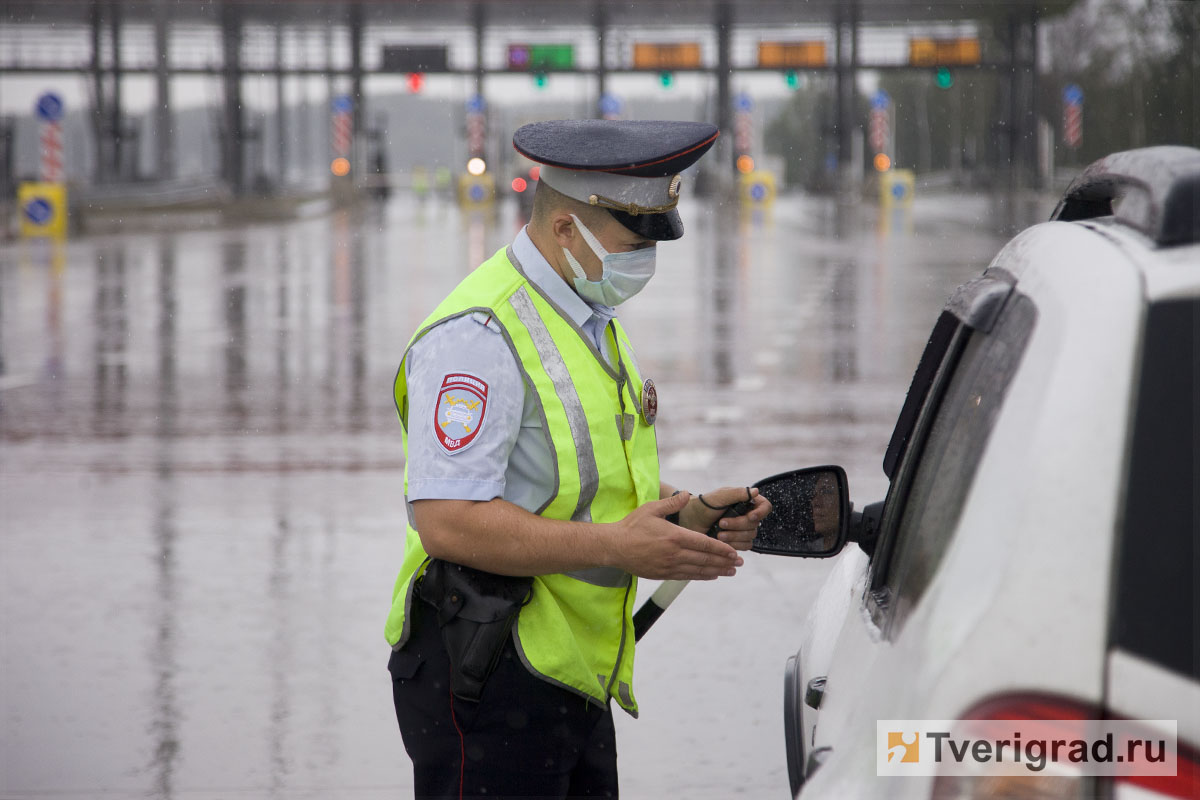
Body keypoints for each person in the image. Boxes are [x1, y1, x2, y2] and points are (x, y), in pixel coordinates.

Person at [385, 119, 773, 799]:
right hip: (487, 668)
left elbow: (585, 481)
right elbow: (445, 520)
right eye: (630, 245)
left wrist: (689, 514)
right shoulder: (479, 336)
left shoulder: (588, 316)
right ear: (565, 229)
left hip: (570, 669)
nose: (643, 263)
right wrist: (620, 548)